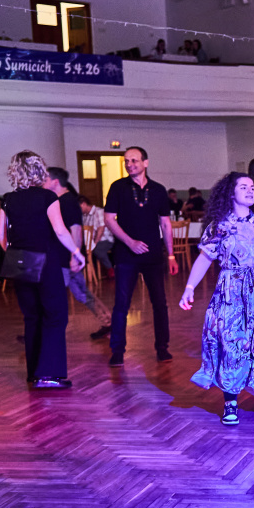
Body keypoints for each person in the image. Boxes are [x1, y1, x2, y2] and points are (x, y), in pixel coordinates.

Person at [180, 173, 254, 424]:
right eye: (243, 187)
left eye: (252, 187)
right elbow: (204, 258)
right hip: (231, 290)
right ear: (230, 193)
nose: (250, 191)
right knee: (232, 343)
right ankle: (230, 400)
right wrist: (189, 287)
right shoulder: (220, 225)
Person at [0, 151, 86, 389]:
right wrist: (76, 252)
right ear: (39, 170)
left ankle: (34, 373)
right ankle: (48, 375)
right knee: (55, 315)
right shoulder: (47, 196)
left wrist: (14, 252)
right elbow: (60, 230)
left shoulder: (8, 199)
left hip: (20, 263)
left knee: (32, 316)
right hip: (46, 262)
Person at [104, 145, 179, 367]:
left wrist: (171, 255)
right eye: (126, 161)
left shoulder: (158, 190)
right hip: (125, 255)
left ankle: (162, 348)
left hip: (153, 255)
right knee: (122, 304)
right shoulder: (117, 187)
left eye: (134, 160)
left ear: (145, 163)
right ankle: (117, 351)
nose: (129, 164)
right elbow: (109, 219)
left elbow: (165, 223)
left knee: (160, 303)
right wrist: (130, 242)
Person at [44, 167, 112, 339]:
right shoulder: (62, 201)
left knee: (53, 295)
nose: (42, 182)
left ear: (55, 182)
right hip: (64, 257)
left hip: (65, 258)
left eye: (45, 179)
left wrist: (74, 256)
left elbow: (76, 230)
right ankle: (108, 322)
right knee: (81, 294)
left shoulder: (67, 202)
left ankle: (41, 333)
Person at [80, 196, 114, 277]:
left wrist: (94, 243)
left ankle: (110, 268)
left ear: (84, 204)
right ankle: (86, 273)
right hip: (91, 241)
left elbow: (101, 229)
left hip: (105, 239)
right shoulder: (85, 216)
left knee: (97, 249)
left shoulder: (99, 211)